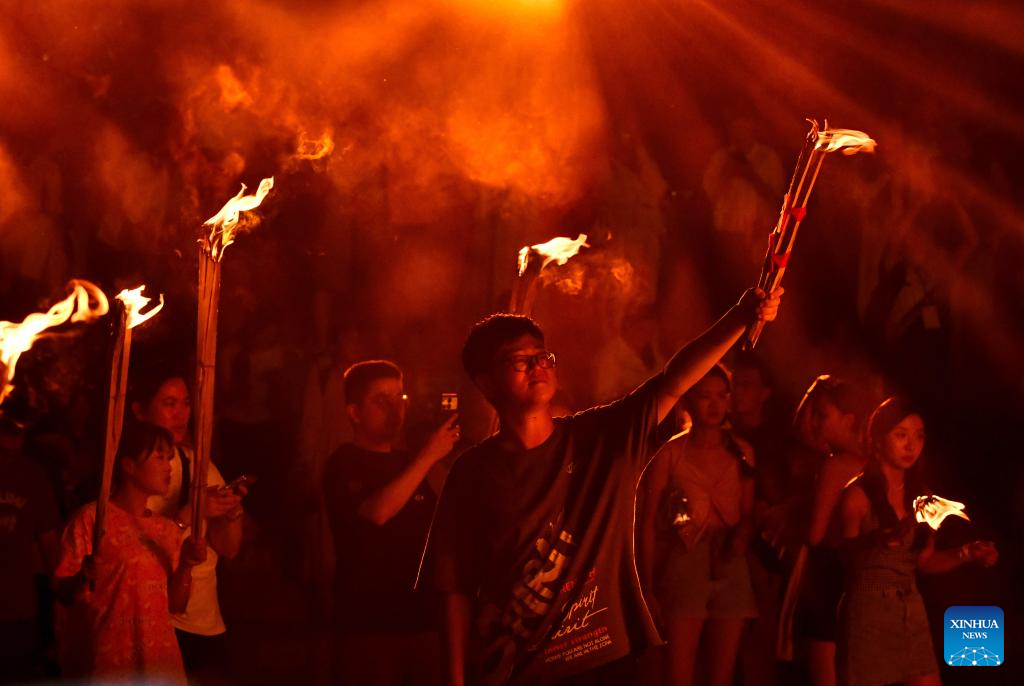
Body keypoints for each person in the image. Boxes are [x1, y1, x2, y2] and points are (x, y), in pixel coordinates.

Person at [418, 286, 782, 686]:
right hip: (518, 671)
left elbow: (673, 381)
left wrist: (740, 315)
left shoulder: (601, 437)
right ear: (485, 383)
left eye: (542, 356)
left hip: (607, 663)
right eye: (519, 361)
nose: (537, 365)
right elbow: (453, 588)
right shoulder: (472, 472)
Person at [836, 398, 998, 686]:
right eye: (901, 435)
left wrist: (966, 553)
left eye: (918, 435)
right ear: (877, 439)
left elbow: (923, 562)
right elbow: (842, 561)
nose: (911, 445)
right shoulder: (857, 496)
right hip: (869, 612)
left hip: (910, 610)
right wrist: (876, 541)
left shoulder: (923, 498)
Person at [324, 360, 458, 686]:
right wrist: (427, 457)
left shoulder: (412, 461)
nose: (394, 408)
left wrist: (443, 457)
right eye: (381, 400)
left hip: (422, 621)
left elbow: (454, 510)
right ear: (354, 412)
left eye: (398, 397)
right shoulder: (344, 462)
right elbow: (378, 512)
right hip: (370, 627)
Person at [54, 421, 205, 684]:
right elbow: (63, 593)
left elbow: (175, 606)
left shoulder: (167, 530)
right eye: (159, 457)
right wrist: (83, 575)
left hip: (158, 661)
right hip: (109, 662)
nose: (168, 466)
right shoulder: (92, 520)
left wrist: (187, 566)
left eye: (169, 458)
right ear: (128, 465)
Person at [639, 365, 757, 686]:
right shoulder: (670, 454)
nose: (715, 405)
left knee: (722, 675)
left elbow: (748, 512)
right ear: (688, 401)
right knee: (679, 673)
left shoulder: (742, 452)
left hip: (730, 563)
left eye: (722, 396)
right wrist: (646, 588)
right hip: (685, 560)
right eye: (705, 396)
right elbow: (647, 522)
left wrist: (742, 535)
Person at [130, 369, 246, 678]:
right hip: (157, 622)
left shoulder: (199, 463)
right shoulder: (127, 471)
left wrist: (230, 511)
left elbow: (229, 549)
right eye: (169, 403)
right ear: (139, 410)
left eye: (185, 403)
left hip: (205, 620)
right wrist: (190, 512)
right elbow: (133, 550)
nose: (181, 413)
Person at [790, 375, 871, 686]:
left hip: (828, 578)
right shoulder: (874, 460)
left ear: (848, 419)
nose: (815, 423)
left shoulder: (836, 466)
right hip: (862, 579)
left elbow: (815, 534)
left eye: (822, 415)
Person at [0, 412, 61, 682]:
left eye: (17, 431)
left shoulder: (32, 476)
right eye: (6, 430)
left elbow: (50, 546)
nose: (11, 439)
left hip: (17, 608)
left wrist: (62, 601)